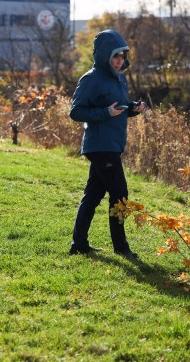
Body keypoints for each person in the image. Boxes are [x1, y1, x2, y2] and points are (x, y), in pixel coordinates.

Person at [68, 29, 147, 258]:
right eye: (115, 57)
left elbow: (117, 109)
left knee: (92, 196)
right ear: (104, 55)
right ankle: (121, 248)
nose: (119, 62)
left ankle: (78, 244)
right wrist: (106, 112)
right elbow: (76, 112)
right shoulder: (90, 79)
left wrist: (132, 108)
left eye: (122, 57)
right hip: (100, 147)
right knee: (120, 195)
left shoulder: (120, 79)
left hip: (113, 145)